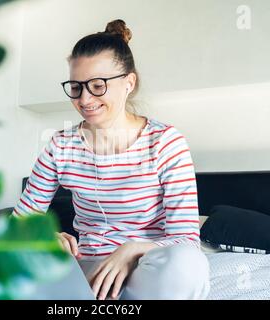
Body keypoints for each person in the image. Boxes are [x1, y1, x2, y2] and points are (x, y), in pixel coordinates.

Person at [12, 19, 210, 300]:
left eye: (97, 85)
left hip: (145, 271)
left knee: (189, 265)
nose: (85, 99)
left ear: (129, 83)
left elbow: (187, 240)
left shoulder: (165, 142)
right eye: (76, 87)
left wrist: (132, 249)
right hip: (84, 272)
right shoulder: (61, 145)